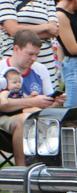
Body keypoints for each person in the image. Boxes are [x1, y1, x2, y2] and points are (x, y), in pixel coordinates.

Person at [0, 29, 61, 165]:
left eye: (37, 55)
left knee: (61, 118)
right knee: (25, 120)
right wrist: (32, 101)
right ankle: (21, 171)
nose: (34, 58)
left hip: (36, 116)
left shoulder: (40, 69)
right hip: (5, 118)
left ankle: (53, 171)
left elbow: (47, 102)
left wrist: (55, 102)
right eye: (30, 54)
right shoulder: (2, 68)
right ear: (16, 49)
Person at [0, 0, 57, 87]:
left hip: (44, 58)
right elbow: (13, 30)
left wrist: (21, 28)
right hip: (15, 62)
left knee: (48, 99)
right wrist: (45, 27)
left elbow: (54, 30)